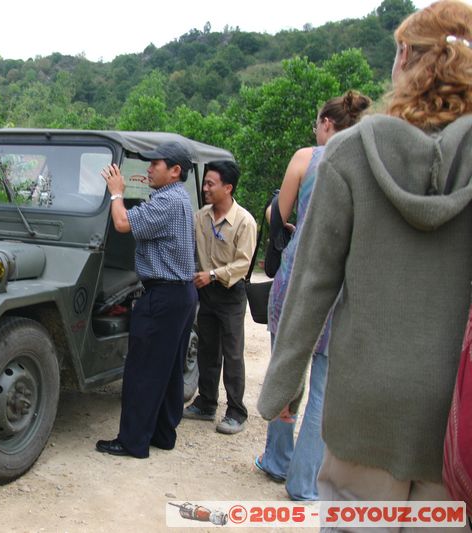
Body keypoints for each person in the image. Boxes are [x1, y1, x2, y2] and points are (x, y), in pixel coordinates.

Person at [258, 0, 472, 510]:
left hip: (362, 410)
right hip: (454, 418)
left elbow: (312, 284)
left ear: (403, 58)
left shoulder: (349, 154)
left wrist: (281, 389)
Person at [253, 91, 372, 501]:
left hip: (298, 282)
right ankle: (305, 483)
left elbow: (277, 215)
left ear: (326, 123)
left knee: (286, 371)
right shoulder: (369, 162)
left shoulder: (306, 158)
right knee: (323, 386)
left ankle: (276, 460)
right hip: (342, 289)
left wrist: (288, 222)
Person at [96, 141, 198, 458]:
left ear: (175, 171)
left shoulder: (168, 201)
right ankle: (163, 434)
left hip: (164, 294)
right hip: (180, 294)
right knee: (167, 369)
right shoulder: (180, 199)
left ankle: (133, 442)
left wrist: (116, 192)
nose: (149, 168)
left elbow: (122, 223)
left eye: (156, 164)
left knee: (143, 370)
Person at [184, 160, 256, 435]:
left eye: (210, 184)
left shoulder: (244, 222)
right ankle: (206, 403)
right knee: (207, 348)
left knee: (233, 353)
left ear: (228, 188)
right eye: (204, 183)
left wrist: (212, 274)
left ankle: (236, 411)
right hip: (206, 292)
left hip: (230, 293)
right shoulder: (201, 216)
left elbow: (243, 264)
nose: (205, 188)